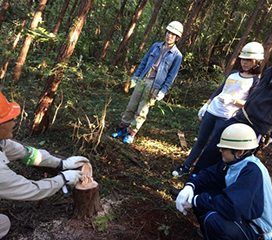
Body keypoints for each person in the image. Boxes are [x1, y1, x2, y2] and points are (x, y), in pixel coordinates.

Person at [192, 20, 272, 173]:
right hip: (239, 118)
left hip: (256, 129)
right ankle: (192, 187)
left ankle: (208, 196)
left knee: (229, 165)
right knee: (212, 151)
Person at [0, 92, 89, 238]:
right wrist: (62, 179)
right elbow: (29, 190)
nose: (14, 123)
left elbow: (26, 154)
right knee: (3, 224)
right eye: (10, 119)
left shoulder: (1, 142)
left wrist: (61, 163)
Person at [172, 42, 264, 177]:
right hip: (213, 111)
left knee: (214, 147)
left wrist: (234, 101)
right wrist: (207, 104)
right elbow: (220, 90)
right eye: (243, 59)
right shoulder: (233, 74)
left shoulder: (255, 81)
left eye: (249, 60)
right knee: (201, 141)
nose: (244, 62)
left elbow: (250, 103)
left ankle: (201, 173)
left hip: (227, 116)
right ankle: (186, 166)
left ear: (257, 62)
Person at [176, 123, 272, 240]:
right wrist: (190, 186)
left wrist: (196, 200)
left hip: (256, 230)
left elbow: (231, 207)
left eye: (224, 148)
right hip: (243, 218)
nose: (220, 150)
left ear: (239, 152)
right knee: (202, 193)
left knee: (214, 220)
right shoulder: (234, 163)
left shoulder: (252, 172)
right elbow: (208, 175)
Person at [111, 21, 183, 144]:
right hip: (143, 80)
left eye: (173, 34)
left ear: (177, 38)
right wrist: (136, 77)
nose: (169, 36)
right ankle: (123, 128)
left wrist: (163, 90)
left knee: (141, 111)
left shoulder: (177, 55)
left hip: (155, 86)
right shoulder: (156, 46)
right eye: (168, 32)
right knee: (131, 106)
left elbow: (171, 76)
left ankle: (131, 133)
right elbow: (144, 62)